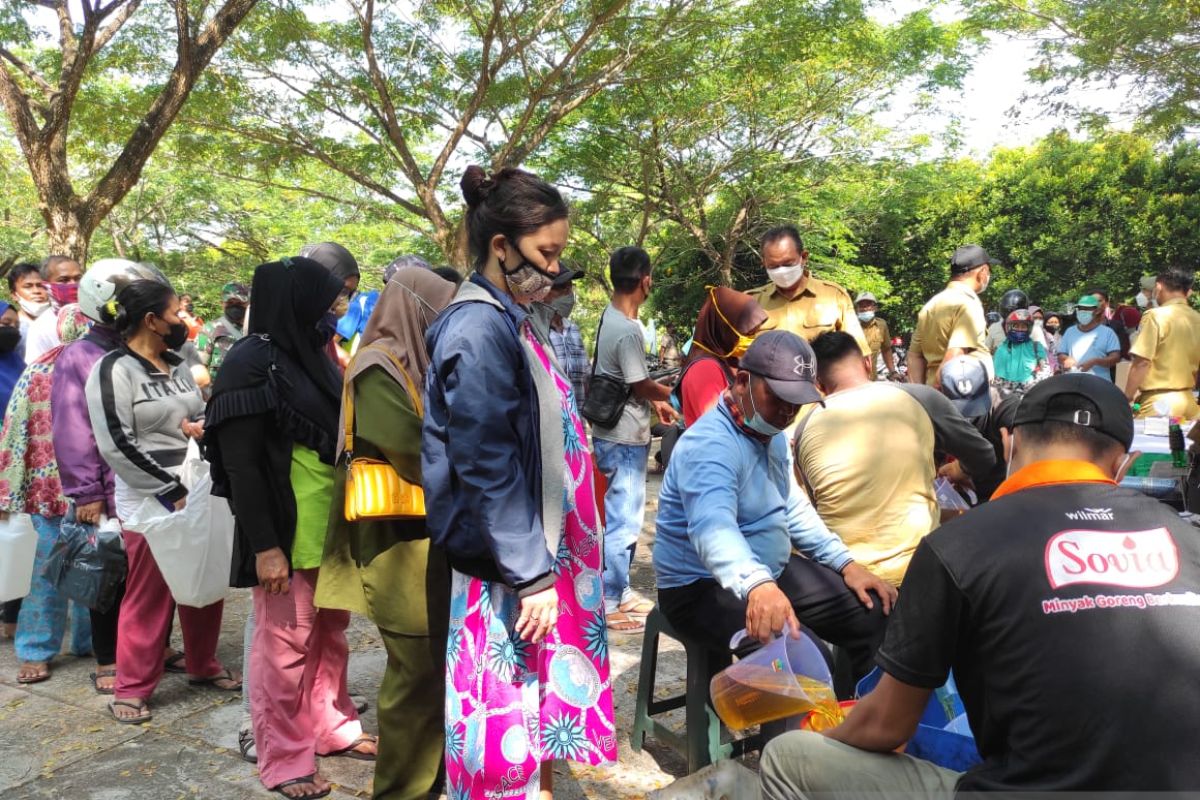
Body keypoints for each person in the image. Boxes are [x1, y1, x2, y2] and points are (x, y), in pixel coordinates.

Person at [760, 373, 1200, 797]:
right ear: (1122, 463)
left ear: (1009, 441)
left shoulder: (957, 545)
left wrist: (830, 735)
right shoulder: (1187, 538)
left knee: (787, 756)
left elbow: (886, 727)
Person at [423, 165, 618, 799]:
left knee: (530, 713)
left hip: (529, 556)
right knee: (501, 716)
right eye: (546, 254)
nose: (556, 271)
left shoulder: (510, 316)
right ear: (501, 247)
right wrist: (532, 573)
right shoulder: (478, 328)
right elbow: (485, 462)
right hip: (509, 569)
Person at [205, 257, 373, 799]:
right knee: (284, 649)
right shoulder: (251, 362)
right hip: (287, 534)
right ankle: (284, 758)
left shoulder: (312, 355)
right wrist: (266, 547)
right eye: (328, 300)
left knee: (331, 637)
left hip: (331, 531)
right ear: (298, 300)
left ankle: (330, 728)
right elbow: (242, 466)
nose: (336, 310)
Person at [654, 331, 896, 685]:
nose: (786, 412)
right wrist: (758, 586)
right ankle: (799, 739)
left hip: (768, 571)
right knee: (802, 658)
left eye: (796, 402)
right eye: (778, 397)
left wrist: (845, 563)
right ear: (742, 382)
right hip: (701, 586)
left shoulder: (772, 437)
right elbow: (713, 530)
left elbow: (793, 510)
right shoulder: (710, 445)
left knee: (876, 613)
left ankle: (854, 724)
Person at [315, 266, 455, 800]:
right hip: (397, 545)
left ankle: (430, 779)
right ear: (417, 311)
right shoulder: (378, 369)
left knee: (432, 673)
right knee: (414, 679)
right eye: (442, 317)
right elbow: (417, 451)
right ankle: (401, 790)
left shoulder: (415, 367)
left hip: (424, 540)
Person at [86, 280, 239, 724]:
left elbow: (195, 410)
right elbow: (115, 441)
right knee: (150, 589)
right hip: (150, 495)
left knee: (203, 574)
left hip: (195, 481)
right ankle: (133, 685)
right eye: (175, 314)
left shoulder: (177, 363)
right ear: (151, 320)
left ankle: (202, 662)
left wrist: (197, 427)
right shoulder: (113, 369)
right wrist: (166, 489)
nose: (183, 322)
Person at [52, 258, 175, 694]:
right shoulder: (82, 355)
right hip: (107, 484)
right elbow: (73, 429)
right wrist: (86, 491)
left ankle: (152, 647)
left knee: (154, 569)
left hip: (151, 481)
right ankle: (108, 657)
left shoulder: (145, 350)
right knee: (109, 572)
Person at [795, 332, 995, 587]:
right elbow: (984, 456)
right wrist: (960, 469)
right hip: (921, 566)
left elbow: (820, 504)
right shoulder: (919, 397)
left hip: (850, 579)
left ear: (818, 383)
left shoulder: (804, 428)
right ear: (868, 364)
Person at [0, 305, 94, 684]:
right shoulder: (40, 371)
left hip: (62, 489)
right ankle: (42, 647)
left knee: (81, 569)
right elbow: (17, 430)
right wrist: (8, 492)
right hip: (56, 489)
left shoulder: (99, 366)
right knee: (77, 568)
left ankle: (68, 646)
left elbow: (12, 433)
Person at [590, 245, 679, 632]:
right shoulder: (627, 330)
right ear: (646, 281)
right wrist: (669, 395)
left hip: (615, 431)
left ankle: (620, 588)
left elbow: (628, 383)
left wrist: (653, 401)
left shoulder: (609, 317)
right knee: (623, 521)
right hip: (624, 438)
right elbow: (639, 383)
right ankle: (609, 598)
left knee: (620, 516)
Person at [747, 225, 868, 353]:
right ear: (764, 263)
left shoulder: (835, 297)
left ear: (803, 257)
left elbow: (858, 354)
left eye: (788, 264)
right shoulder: (750, 303)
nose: (781, 271)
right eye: (773, 266)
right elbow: (736, 359)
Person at [677, 286, 769, 426]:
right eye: (747, 333)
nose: (752, 339)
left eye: (754, 333)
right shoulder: (704, 369)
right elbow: (720, 426)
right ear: (724, 329)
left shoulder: (727, 360)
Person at [908, 245, 993, 386]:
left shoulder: (931, 305)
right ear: (982, 271)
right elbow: (955, 355)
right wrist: (939, 393)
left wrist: (922, 397)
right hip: (961, 396)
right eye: (989, 270)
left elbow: (915, 356)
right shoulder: (967, 303)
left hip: (933, 396)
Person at [1125, 266, 1200, 419]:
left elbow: (1142, 362)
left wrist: (1127, 397)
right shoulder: (1196, 318)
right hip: (1189, 402)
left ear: (1158, 287)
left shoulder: (1155, 316)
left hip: (1159, 405)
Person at [533, 266, 589, 407]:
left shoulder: (573, 330)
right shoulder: (536, 333)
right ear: (544, 294)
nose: (568, 293)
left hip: (577, 421)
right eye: (562, 287)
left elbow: (585, 377)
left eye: (570, 287)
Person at [300, 242, 360, 370]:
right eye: (342, 290)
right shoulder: (275, 349)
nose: (342, 300)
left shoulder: (321, 336)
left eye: (349, 293)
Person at [24, 255, 83, 362]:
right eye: (64, 280)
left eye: (78, 278)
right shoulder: (40, 329)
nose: (73, 284)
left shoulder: (99, 314)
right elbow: (37, 373)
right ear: (46, 285)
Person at [1057, 294, 1121, 381]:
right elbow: (1061, 354)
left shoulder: (1108, 333)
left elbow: (1115, 358)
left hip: (1100, 383)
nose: (1083, 311)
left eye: (1087, 309)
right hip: (1074, 382)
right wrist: (1066, 358)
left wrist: (1096, 361)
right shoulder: (1070, 331)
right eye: (1080, 308)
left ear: (1097, 311)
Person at [196, 282, 249, 383]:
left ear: (248, 303)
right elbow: (199, 367)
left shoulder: (258, 329)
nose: (234, 307)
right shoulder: (209, 329)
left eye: (239, 303)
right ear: (222, 304)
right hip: (220, 394)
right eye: (230, 303)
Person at [992, 309, 1047, 385]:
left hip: (1028, 391)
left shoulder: (1037, 347)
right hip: (1003, 391)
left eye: (1024, 326)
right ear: (1009, 327)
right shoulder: (1001, 348)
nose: (1020, 329)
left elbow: (1045, 371)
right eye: (1016, 326)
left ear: (1029, 329)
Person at [853, 292, 897, 379]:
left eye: (868, 305)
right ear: (857, 309)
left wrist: (893, 372)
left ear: (875, 308)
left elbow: (886, 349)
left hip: (872, 379)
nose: (865, 308)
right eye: (861, 306)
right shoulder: (849, 325)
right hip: (852, 380)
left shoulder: (882, 325)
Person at [8, 261, 50, 335]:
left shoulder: (62, 324)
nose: (36, 291)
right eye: (28, 286)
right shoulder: (9, 329)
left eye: (41, 286)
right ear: (14, 295)